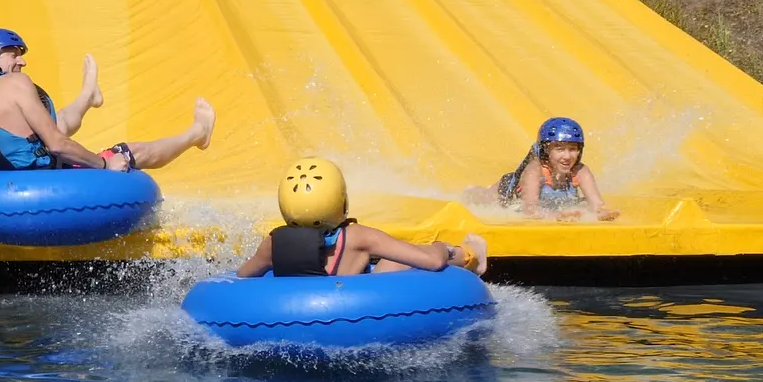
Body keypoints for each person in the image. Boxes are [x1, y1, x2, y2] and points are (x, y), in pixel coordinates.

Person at [0, 28, 214, 172]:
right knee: (130, 153)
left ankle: (88, 96)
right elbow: (56, 144)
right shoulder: (15, 82)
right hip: (34, 182)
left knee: (58, 123)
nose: (22, 61)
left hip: (2, 174)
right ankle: (196, 134)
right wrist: (104, 163)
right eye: (13, 55)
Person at [237, 158, 487, 278]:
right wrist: (441, 247)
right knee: (401, 260)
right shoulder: (358, 236)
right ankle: (472, 256)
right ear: (341, 201)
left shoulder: (273, 244)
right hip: (353, 316)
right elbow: (431, 262)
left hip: (294, 321)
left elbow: (242, 277)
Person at [477, 117, 619, 221]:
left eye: (572, 149)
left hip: (539, 202)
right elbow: (530, 210)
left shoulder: (580, 171)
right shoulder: (535, 171)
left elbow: (597, 204)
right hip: (504, 191)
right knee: (477, 198)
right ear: (546, 150)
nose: (567, 156)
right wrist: (555, 216)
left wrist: (601, 213)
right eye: (560, 149)